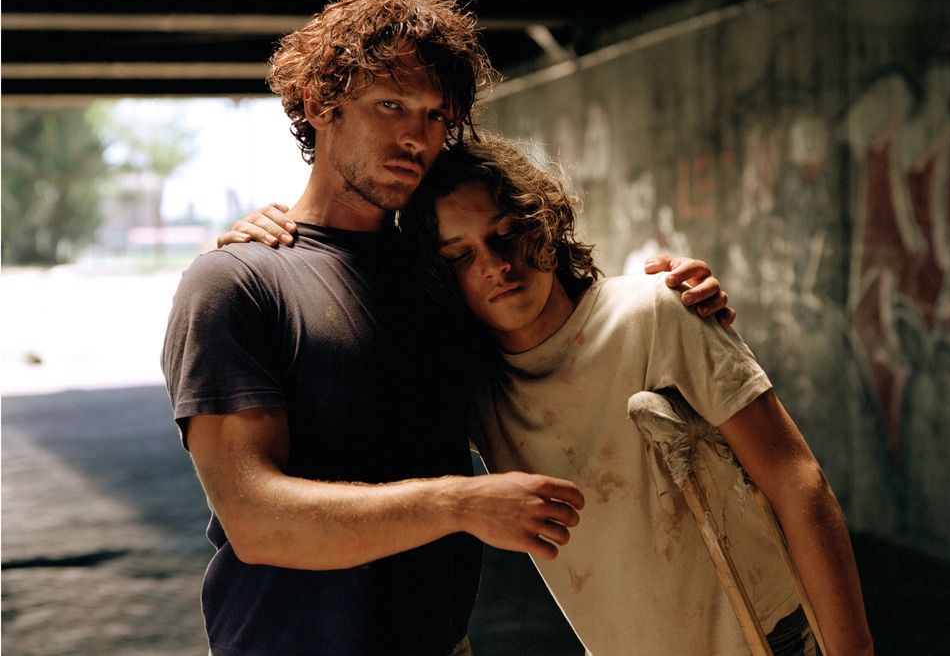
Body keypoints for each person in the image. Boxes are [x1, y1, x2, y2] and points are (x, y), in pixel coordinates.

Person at [163, 0, 732, 656]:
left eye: (436, 116)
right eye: (391, 105)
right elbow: (256, 520)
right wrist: (461, 504)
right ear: (318, 103)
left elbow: (566, 340)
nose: (416, 136)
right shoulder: (236, 282)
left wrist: (668, 292)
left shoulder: (438, 273)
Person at [232, 131, 874, 655]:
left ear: (545, 224)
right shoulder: (475, 384)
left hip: (773, 639)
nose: (495, 265)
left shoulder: (657, 314)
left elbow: (797, 480)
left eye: (506, 233)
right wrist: (266, 245)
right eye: (459, 256)